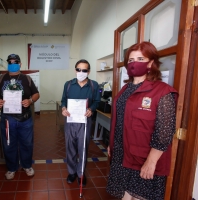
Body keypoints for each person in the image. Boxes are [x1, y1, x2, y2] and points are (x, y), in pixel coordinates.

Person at [106, 42, 178, 200]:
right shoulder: (125, 89)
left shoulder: (162, 91)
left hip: (143, 159)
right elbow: (119, 122)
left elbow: (164, 132)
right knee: (124, 196)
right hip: (122, 156)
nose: (134, 63)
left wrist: (151, 162)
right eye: (131, 60)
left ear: (151, 63)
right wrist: (112, 144)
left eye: (140, 58)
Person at [0, 54, 39, 180]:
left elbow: (36, 94)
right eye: (10, 62)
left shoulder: (26, 78)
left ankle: (27, 165)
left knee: (27, 143)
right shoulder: (1, 79)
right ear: (7, 64)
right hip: (7, 118)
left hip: (25, 118)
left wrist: (30, 101)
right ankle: (12, 168)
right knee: (8, 144)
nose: (13, 64)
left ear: (20, 64)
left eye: (15, 62)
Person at [61, 59, 100, 186]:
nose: (81, 72)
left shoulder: (94, 85)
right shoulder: (68, 85)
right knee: (70, 147)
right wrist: (63, 109)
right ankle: (72, 172)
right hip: (71, 121)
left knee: (83, 148)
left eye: (84, 70)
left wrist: (91, 109)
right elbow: (63, 101)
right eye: (78, 69)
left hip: (84, 121)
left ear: (88, 71)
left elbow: (97, 101)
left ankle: (81, 174)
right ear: (75, 70)